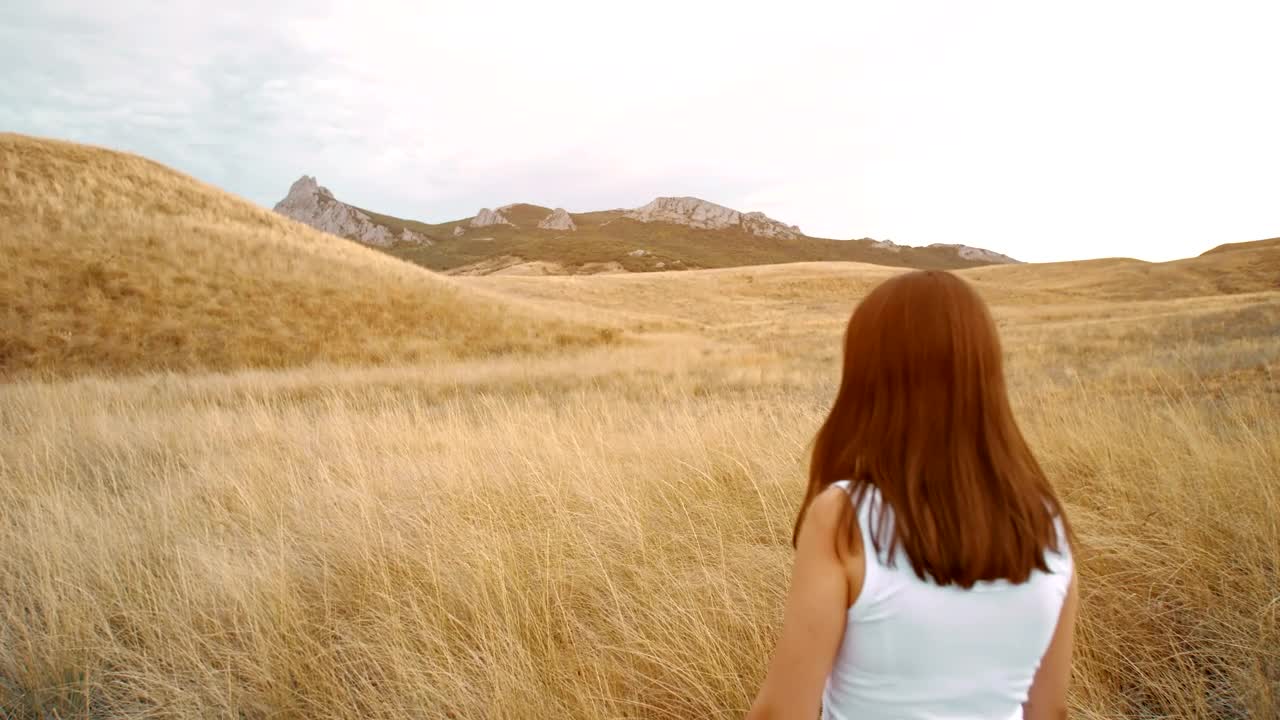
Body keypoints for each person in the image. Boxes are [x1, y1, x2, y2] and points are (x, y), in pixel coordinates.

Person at [746, 270, 1077, 720]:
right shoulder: (1046, 522)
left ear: (868, 379)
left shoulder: (845, 517)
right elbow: (1050, 711)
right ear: (985, 375)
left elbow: (783, 713)